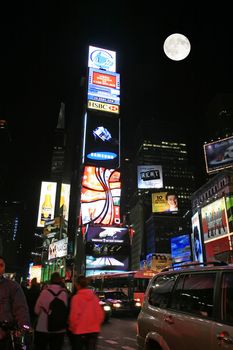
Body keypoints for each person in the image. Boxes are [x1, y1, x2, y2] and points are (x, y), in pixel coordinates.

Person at [0, 255, 31, 350]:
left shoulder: (12, 286)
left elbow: (21, 309)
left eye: (1, 265)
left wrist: (23, 328)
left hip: (4, 337)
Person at [34, 272, 68, 350]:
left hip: (43, 328)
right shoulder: (64, 293)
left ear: (50, 280)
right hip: (59, 328)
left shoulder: (44, 292)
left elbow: (36, 310)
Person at [68, 275, 104, 350]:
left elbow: (73, 317)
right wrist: (95, 325)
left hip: (79, 331)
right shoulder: (94, 297)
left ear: (77, 285)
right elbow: (100, 315)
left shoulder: (76, 298)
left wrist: (72, 328)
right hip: (93, 331)